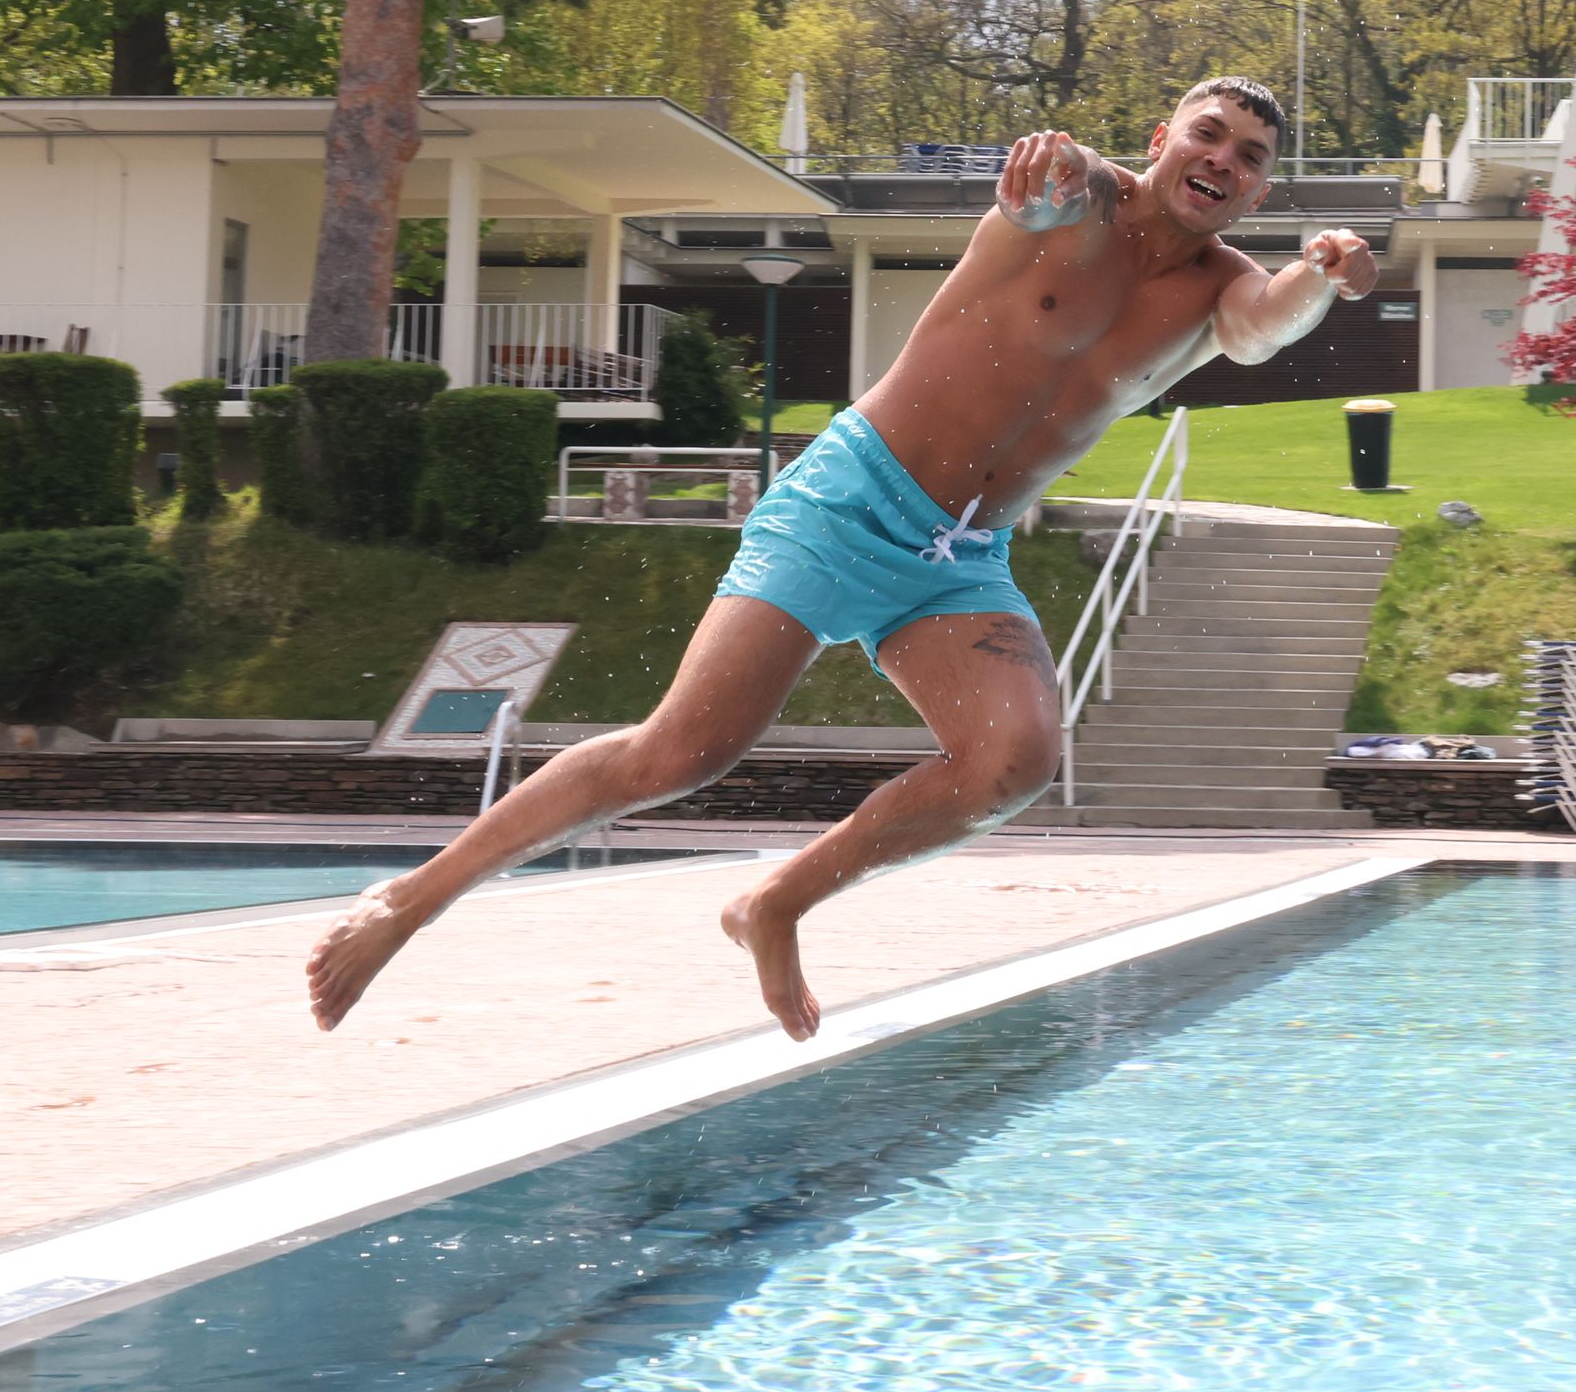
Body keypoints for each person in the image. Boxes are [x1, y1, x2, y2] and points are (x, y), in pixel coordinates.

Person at [302, 76, 1376, 1039]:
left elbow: (1264, 326)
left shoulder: (1222, 290)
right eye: (1209, 135)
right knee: (681, 753)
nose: (1223, 162)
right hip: (849, 497)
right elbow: (1038, 192)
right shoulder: (1080, 195)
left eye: (1248, 158)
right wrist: (1037, 188)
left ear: (1258, 193)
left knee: (1013, 762)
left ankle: (775, 903)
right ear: (1162, 137)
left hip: (958, 557)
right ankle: (411, 900)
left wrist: (1322, 277)